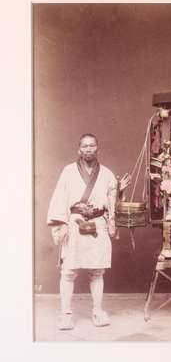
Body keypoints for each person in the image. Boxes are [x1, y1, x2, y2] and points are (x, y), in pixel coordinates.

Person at [47, 133, 131, 330]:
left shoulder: (107, 173)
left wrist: (119, 191)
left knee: (97, 271)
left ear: (97, 149)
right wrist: (63, 223)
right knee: (68, 272)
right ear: (79, 149)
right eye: (84, 146)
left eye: (91, 145)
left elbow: (112, 201)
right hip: (75, 223)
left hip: (97, 224)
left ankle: (97, 311)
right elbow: (59, 198)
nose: (88, 149)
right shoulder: (68, 171)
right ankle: (66, 314)